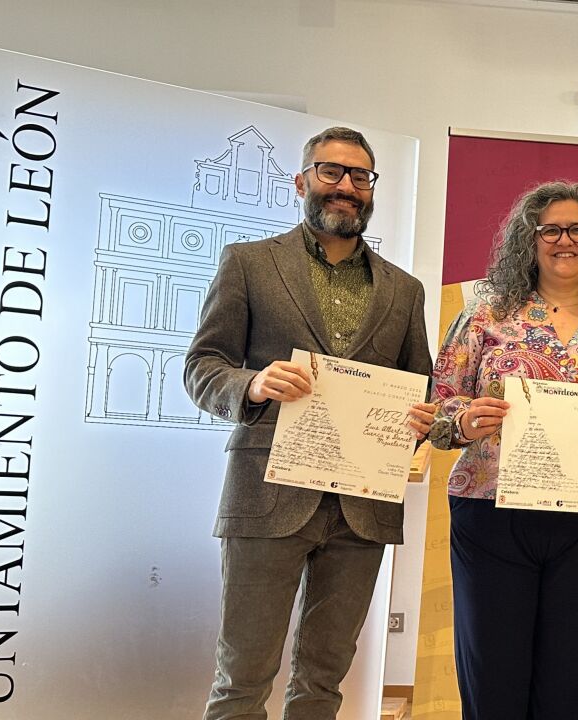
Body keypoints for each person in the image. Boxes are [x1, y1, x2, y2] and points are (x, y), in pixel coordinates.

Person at [185, 126, 435, 720]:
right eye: (331, 171)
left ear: (371, 190)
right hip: (267, 495)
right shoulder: (249, 263)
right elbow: (202, 365)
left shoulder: (405, 290)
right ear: (302, 182)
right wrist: (251, 384)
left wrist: (424, 417)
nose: (346, 185)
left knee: (324, 683)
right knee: (242, 679)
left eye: (360, 176)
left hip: (363, 508)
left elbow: (420, 385)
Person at [428, 181, 578, 719]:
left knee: (573, 681)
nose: (566, 240)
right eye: (550, 230)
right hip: (492, 516)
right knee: (494, 678)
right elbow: (439, 407)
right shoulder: (485, 317)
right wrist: (465, 420)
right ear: (528, 240)